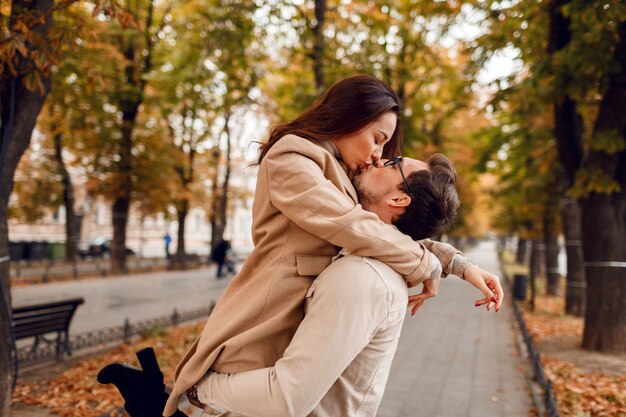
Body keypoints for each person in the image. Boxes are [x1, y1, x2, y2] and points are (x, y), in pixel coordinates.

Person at [98, 75, 500, 417]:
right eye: (377, 139)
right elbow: (352, 224)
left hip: (292, 323)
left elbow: (375, 228)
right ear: (350, 117)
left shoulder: (341, 175)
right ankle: (153, 398)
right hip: (263, 319)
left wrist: (457, 265)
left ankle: (150, 396)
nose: (378, 155)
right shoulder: (292, 158)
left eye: (386, 150)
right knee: (202, 402)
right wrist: (427, 267)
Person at [191, 155, 503, 417]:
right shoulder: (373, 254)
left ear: (398, 198)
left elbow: (288, 397)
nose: (378, 158)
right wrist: (461, 265)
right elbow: (392, 239)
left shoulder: (361, 277)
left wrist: (200, 387)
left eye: (393, 163)